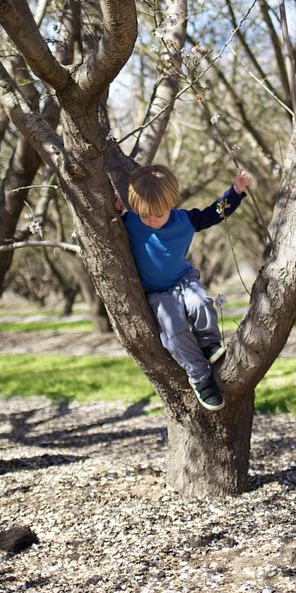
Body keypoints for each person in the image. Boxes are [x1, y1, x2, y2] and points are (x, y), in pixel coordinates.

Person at [118, 164, 251, 412]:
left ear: (171, 202)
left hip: (183, 279)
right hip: (157, 293)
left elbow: (215, 213)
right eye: (145, 214)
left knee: (200, 303)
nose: (152, 220)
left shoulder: (186, 219)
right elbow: (120, 211)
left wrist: (235, 192)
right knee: (174, 333)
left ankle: (210, 343)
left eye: (158, 213)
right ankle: (201, 378)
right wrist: (118, 205)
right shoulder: (132, 221)